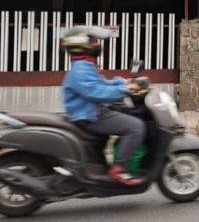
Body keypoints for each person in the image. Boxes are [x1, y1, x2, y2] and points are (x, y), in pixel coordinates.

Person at [61, 26, 146, 186]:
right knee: (136, 127)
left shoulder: (85, 66)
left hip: (90, 112)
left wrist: (122, 82)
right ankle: (119, 169)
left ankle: (105, 165)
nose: (97, 44)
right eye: (93, 41)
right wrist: (124, 89)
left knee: (125, 117)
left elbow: (101, 84)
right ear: (81, 45)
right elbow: (97, 92)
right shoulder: (81, 69)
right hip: (89, 115)